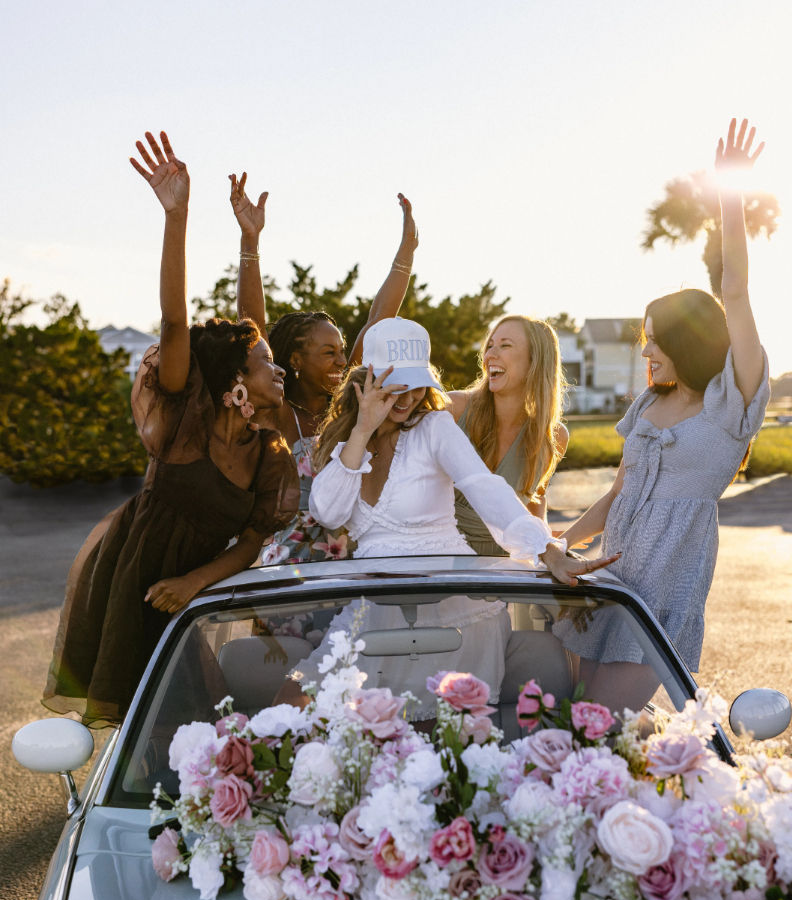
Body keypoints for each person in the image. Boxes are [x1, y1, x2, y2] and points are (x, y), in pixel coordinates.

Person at [43, 132, 299, 726]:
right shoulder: (187, 420)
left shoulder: (267, 453)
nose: (279, 366)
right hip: (137, 573)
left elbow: (254, 540)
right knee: (152, 710)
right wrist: (177, 215)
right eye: (266, 364)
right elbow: (175, 319)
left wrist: (250, 242)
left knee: (191, 709)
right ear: (235, 381)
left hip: (193, 583)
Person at [277, 317, 617, 714]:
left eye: (416, 385)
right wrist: (364, 428)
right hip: (377, 610)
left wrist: (549, 551)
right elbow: (326, 511)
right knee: (295, 701)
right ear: (366, 380)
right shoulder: (347, 437)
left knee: (440, 727)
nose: (406, 399)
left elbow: (485, 488)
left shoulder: (435, 425)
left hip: (458, 612)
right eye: (394, 386)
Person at [555, 119, 771, 708]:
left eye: (655, 340)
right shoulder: (649, 404)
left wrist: (729, 198)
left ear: (688, 341)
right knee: (576, 719)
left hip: (665, 586)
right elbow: (616, 496)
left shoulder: (732, 403)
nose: (645, 352)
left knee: (602, 720)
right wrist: (556, 545)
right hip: (606, 579)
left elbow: (736, 292)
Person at [229, 173, 418, 561]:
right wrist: (250, 241)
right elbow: (250, 328)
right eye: (327, 352)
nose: (340, 361)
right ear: (296, 361)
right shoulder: (275, 409)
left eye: (341, 350)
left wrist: (407, 253)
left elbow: (379, 319)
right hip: (286, 563)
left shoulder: (350, 403)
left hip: (354, 557)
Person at [448, 314, 569, 554]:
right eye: (490, 346)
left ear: (535, 360)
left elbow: (534, 501)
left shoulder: (554, 436)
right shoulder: (453, 409)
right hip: (440, 559)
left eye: (505, 345)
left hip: (505, 570)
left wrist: (544, 540)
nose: (490, 355)